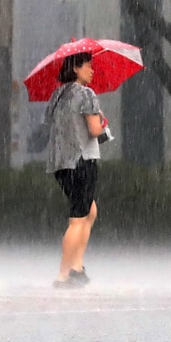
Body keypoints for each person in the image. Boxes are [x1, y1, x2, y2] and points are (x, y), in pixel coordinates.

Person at [45, 52, 107, 288]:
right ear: (76, 69)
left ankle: (77, 266)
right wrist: (101, 123)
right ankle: (64, 275)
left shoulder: (57, 95)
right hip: (82, 160)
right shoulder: (87, 94)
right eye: (88, 67)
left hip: (61, 163)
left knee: (89, 211)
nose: (92, 71)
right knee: (78, 219)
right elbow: (93, 130)